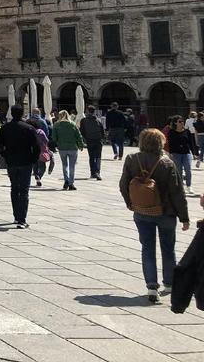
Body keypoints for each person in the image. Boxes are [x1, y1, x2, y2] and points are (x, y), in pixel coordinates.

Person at [119, 128, 190, 303]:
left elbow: (123, 184)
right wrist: (184, 217)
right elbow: (177, 192)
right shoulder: (167, 162)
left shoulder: (131, 159)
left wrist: (130, 203)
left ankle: (151, 287)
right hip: (166, 212)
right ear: (161, 142)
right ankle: (170, 284)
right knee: (168, 248)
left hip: (142, 211)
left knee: (147, 249)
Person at [0, 106, 40, 228]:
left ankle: (16, 216)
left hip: (12, 162)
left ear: (11, 113)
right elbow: (36, 147)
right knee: (24, 190)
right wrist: (33, 160)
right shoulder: (29, 128)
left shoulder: (5, 128)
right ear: (22, 114)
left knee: (14, 189)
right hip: (25, 162)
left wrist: (5, 155)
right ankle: (22, 219)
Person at [52, 110, 84, 191]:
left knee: (64, 165)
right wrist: (81, 145)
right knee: (72, 166)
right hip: (73, 148)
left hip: (62, 148)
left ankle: (66, 180)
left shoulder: (56, 125)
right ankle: (71, 183)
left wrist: (57, 143)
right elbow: (78, 135)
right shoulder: (72, 124)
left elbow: (54, 138)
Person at [165, 115, 197, 192]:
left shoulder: (187, 131)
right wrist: (170, 153)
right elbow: (170, 144)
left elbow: (191, 143)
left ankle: (189, 186)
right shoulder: (171, 132)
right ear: (175, 123)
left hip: (186, 153)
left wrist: (194, 153)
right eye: (180, 121)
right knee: (179, 171)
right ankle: (181, 186)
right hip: (176, 154)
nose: (182, 123)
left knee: (188, 170)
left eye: (182, 121)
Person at [79, 106, 104, 181]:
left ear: (87, 111)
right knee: (98, 157)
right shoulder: (98, 120)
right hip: (98, 141)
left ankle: (93, 173)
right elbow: (102, 131)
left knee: (92, 157)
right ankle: (97, 172)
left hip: (90, 141)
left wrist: (86, 138)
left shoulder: (83, 120)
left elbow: (82, 131)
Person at [28, 117, 50, 188]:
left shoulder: (30, 132)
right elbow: (46, 140)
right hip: (41, 151)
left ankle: (36, 176)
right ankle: (39, 177)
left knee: (35, 165)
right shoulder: (40, 131)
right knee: (42, 166)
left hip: (33, 151)